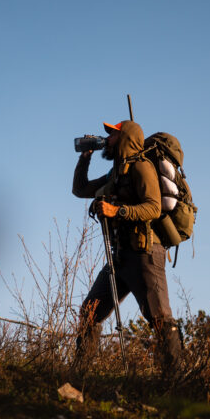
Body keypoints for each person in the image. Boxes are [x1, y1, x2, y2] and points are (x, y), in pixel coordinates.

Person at [72, 119, 183, 372]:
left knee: (160, 319)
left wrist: (116, 210)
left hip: (145, 254)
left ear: (125, 139)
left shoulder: (141, 167)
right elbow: (80, 190)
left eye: (112, 135)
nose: (107, 140)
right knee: (90, 312)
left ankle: (175, 381)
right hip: (120, 257)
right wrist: (85, 157)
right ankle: (81, 374)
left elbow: (153, 207)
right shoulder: (116, 172)